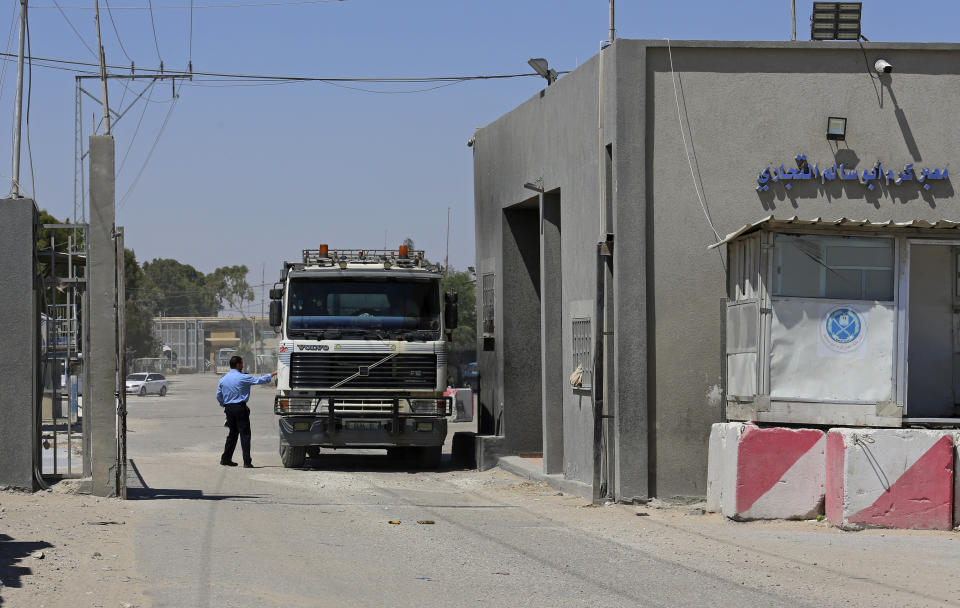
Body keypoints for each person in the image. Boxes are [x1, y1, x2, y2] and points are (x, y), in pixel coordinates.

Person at [216, 355, 277, 468]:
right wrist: (273, 374)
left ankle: (225, 459)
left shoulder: (223, 379)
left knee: (232, 434)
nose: (243, 365)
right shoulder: (243, 377)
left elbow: (218, 395)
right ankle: (247, 462)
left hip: (229, 408)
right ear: (238, 364)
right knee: (245, 435)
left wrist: (224, 404)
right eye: (242, 363)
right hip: (240, 408)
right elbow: (259, 380)